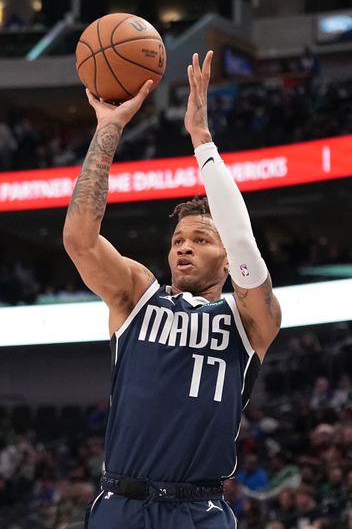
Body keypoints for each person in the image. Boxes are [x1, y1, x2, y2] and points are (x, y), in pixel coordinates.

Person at [63, 52, 281, 528]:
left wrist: (202, 143)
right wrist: (109, 128)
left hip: (198, 509)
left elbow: (243, 240)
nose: (183, 248)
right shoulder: (138, 295)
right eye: (178, 240)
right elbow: (79, 239)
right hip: (121, 501)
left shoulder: (249, 320)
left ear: (227, 258)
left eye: (201, 239)